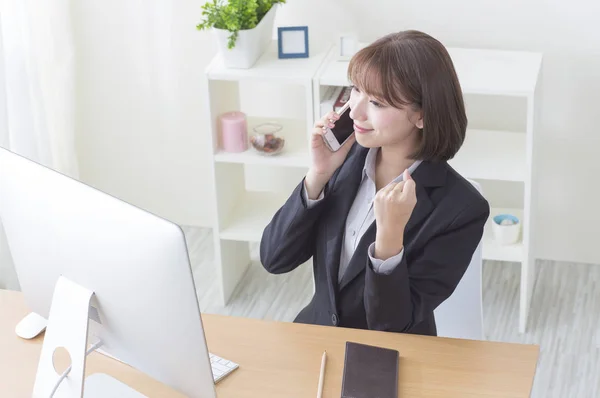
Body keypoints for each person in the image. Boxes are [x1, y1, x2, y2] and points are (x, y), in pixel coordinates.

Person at [259, 30, 490, 336]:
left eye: (377, 103)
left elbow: (391, 323)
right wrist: (318, 176)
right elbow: (274, 259)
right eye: (355, 90)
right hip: (316, 341)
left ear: (421, 115)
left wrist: (390, 239)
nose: (355, 110)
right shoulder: (343, 162)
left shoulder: (462, 209)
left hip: (389, 358)